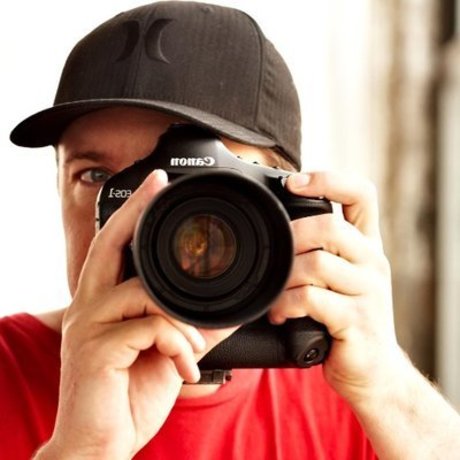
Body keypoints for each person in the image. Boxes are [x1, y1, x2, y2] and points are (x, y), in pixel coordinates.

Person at [1, 2, 459, 459]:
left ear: (283, 205)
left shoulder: (351, 387)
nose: (143, 219)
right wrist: (83, 449)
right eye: (98, 177)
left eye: (192, 187)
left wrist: (389, 389)